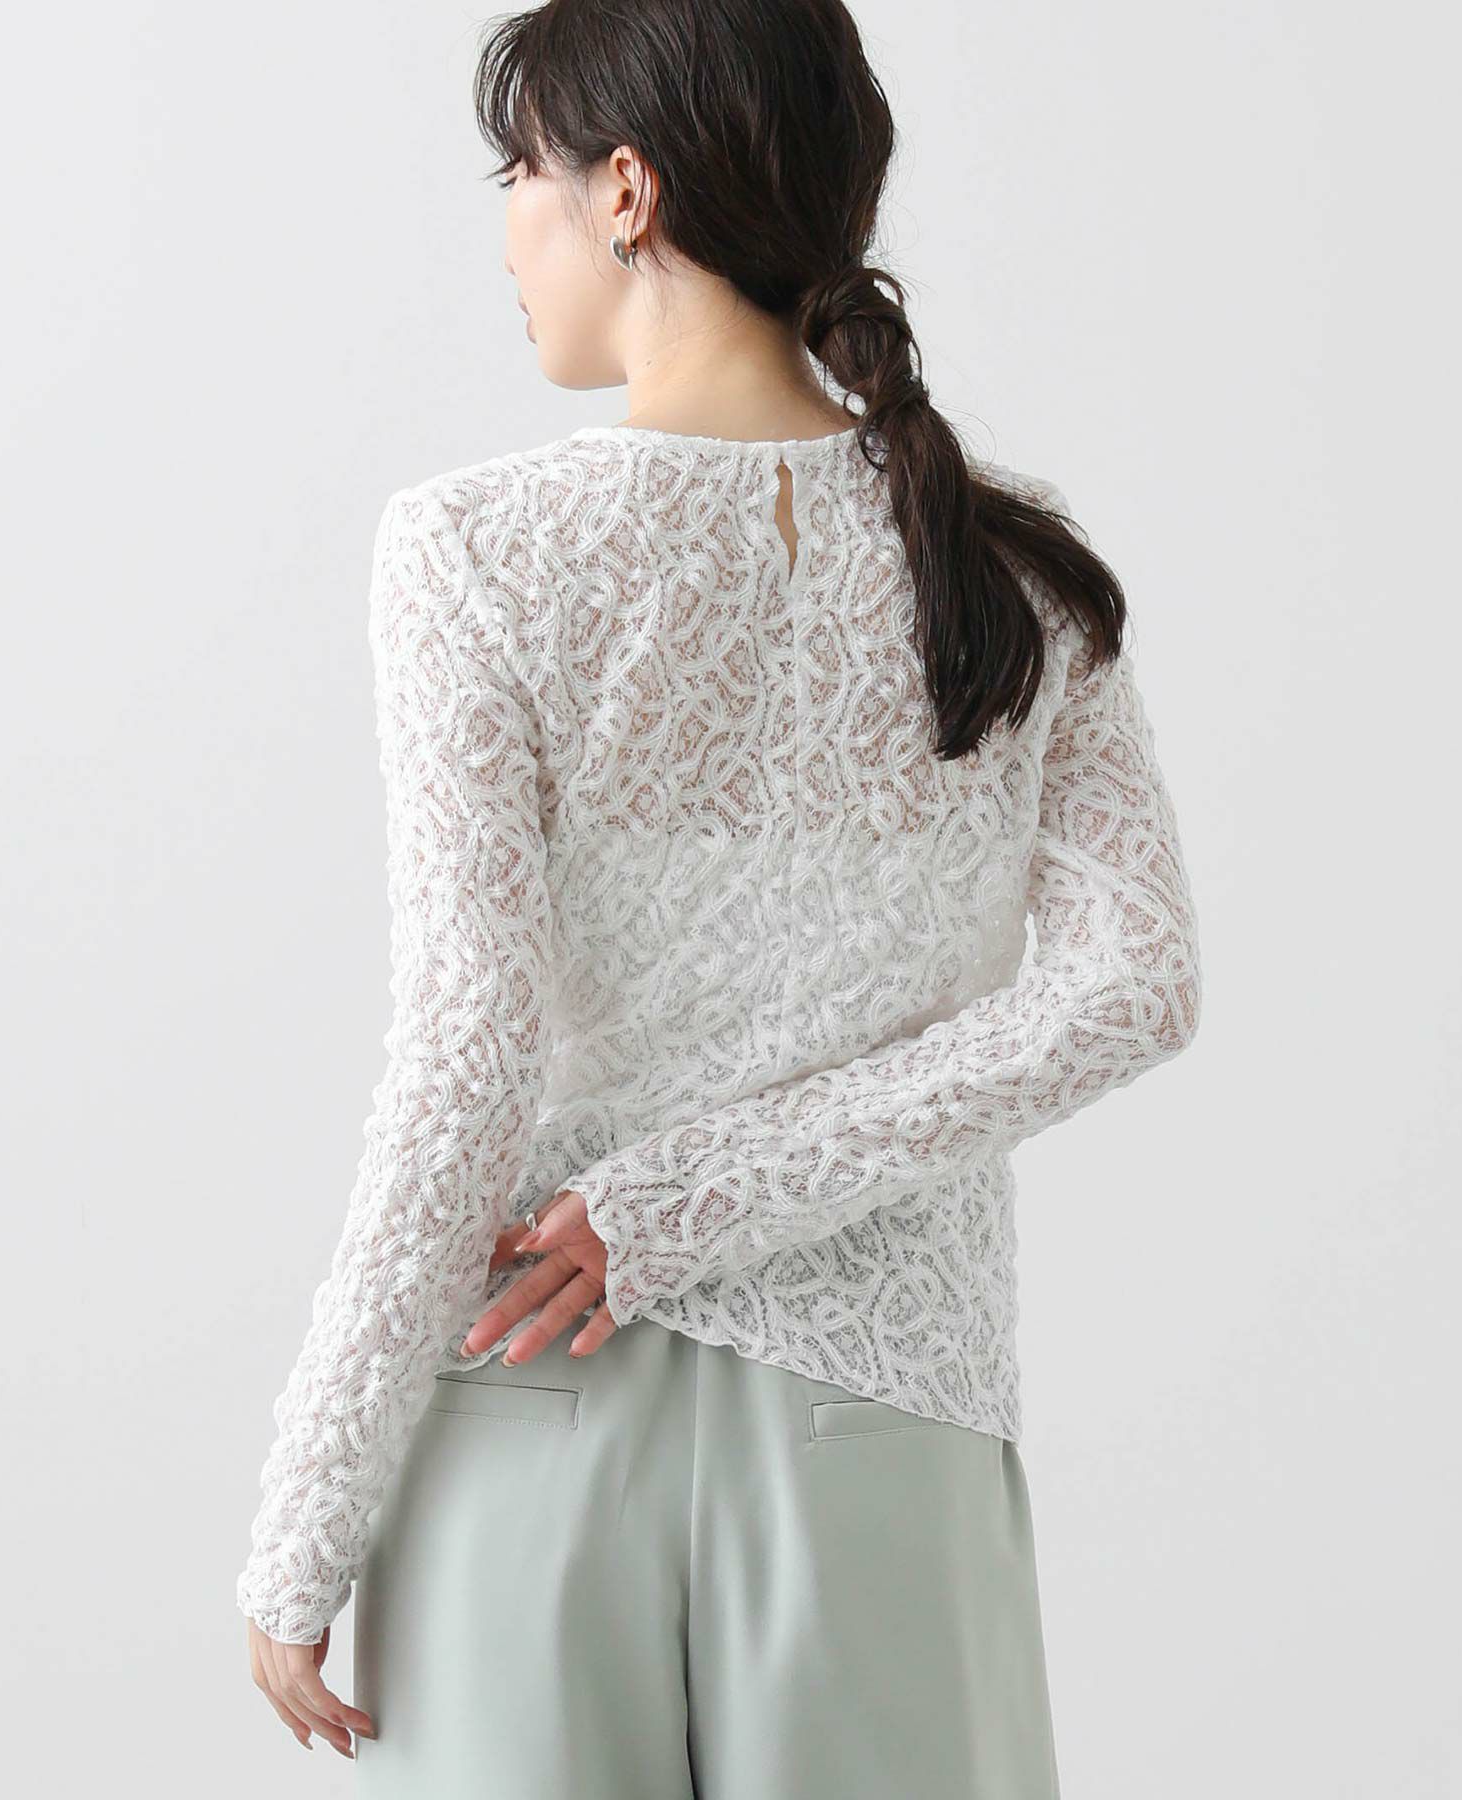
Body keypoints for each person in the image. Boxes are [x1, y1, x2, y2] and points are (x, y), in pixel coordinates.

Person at [236, 1, 1203, 1793]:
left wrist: (306, 1517)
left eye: (517, 171)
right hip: (887, 1422)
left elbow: (465, 1057)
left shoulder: (473, 550)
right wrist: (701, 1199)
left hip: (530, 1399)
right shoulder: (1005, 559)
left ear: (627, 191)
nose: (502, 228)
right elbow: (1132, 985)